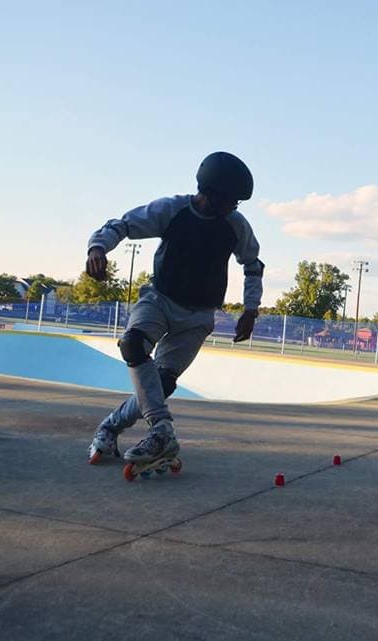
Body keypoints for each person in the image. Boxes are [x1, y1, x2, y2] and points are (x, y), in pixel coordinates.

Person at [85, 151, 263, 466]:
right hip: (160, 299)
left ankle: (110, 426)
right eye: (231, 200)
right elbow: (123, 225)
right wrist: (98, 246)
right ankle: (162, 429)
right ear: (210, 194)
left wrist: (250, 310)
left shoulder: (235, 225)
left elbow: (252, 264)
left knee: (163, 382)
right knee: (133, 344)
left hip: (199, 315)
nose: (235, 207)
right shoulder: (172, 210)